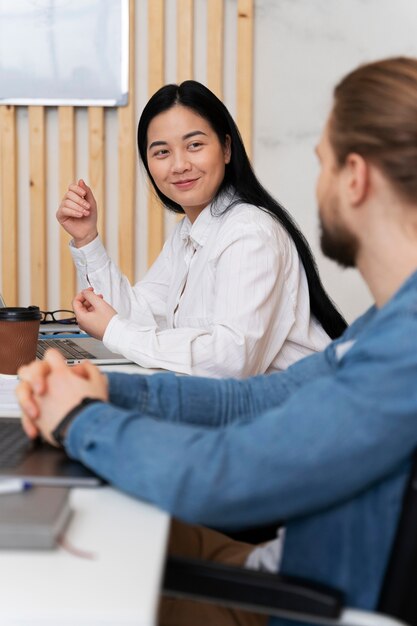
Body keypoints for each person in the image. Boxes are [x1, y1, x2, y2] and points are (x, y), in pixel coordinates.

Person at [18, 56, 417, 626]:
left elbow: (221, 472)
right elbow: (253, 400)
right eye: (161, 151)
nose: (317, 183)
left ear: (355, 177)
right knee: (68, 530)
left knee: (50, 586)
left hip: (283, 597)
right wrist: (105, 389)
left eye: (321, 163)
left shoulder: (401, 353)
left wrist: (79, 420)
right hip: (275, 560)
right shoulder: (388, 323)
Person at [57, 80, 345, 378]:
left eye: (194, 145)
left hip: (296, 412)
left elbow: (232, 361)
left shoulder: (249, 233)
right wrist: (86, 238)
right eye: (161, 152)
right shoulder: (189, 233)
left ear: (226, 148)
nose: (179, 165)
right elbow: (137, 316)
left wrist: (116, 331)